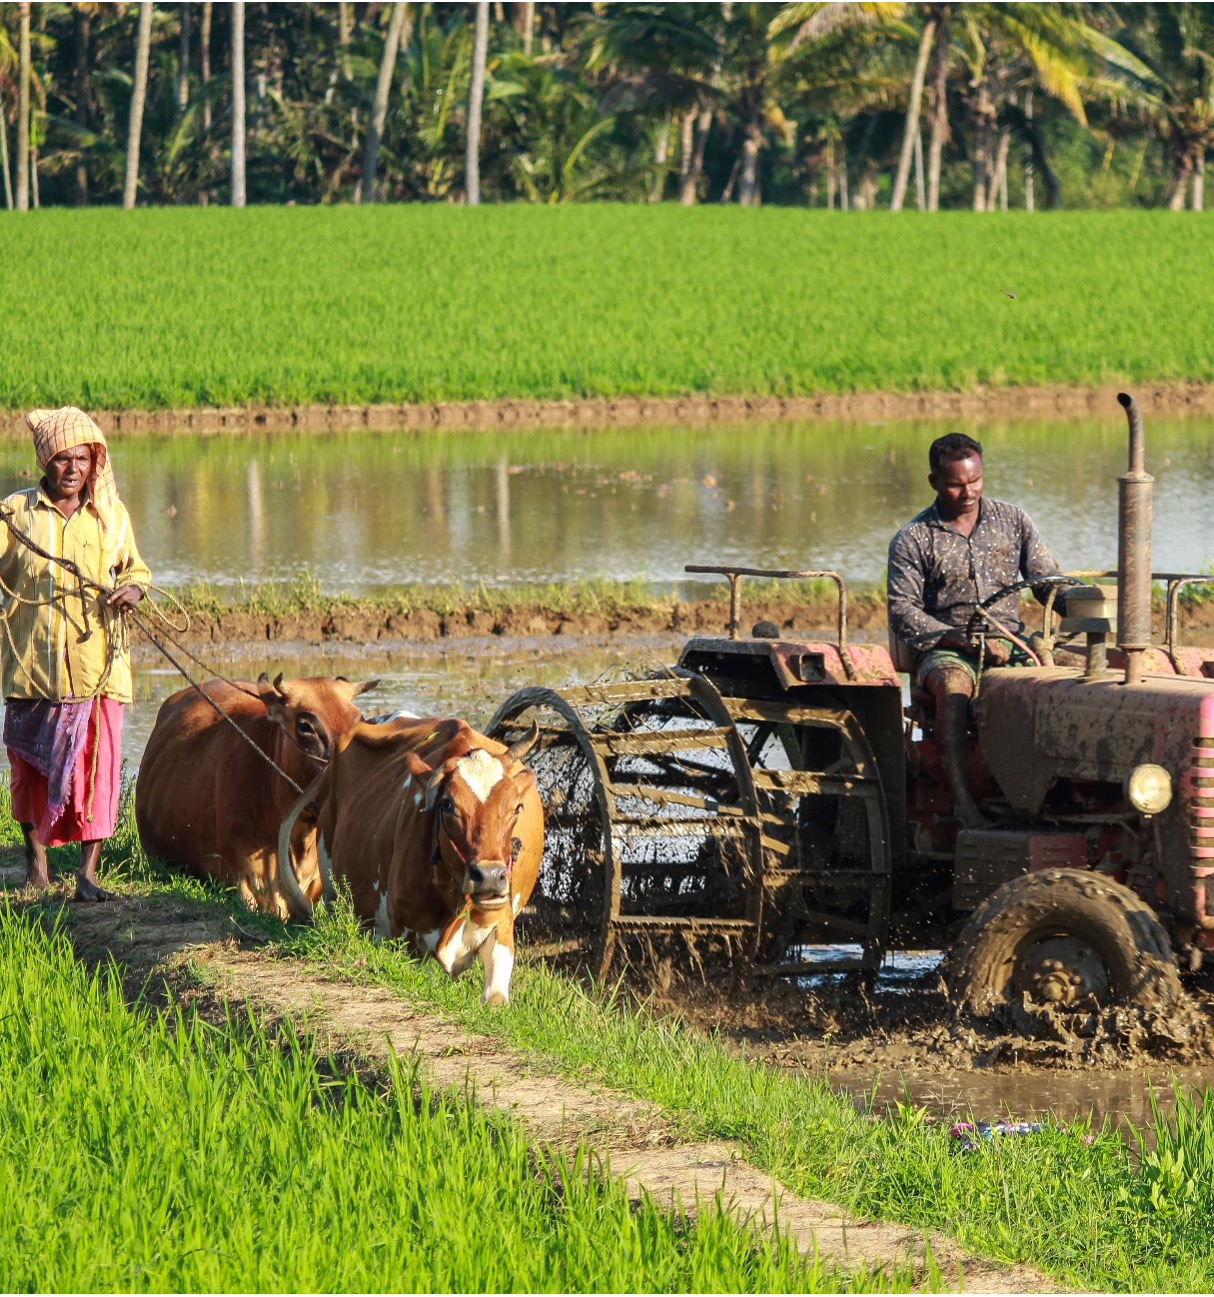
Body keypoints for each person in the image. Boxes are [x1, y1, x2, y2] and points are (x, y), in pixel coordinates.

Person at [1, 408, 150, 900]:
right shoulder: (15, 515)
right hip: (34, 669)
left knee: (99, 769)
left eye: (82, 459)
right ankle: (36, 863)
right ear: (44, 462)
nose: (72, 469)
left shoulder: (111, 515)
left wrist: (131, 590)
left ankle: (87, 874)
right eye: (62, 459)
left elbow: (136, 571)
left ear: (94, 463)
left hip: (99, 667)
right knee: (28, 769)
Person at [887, 432, 1059, 828]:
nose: (968, 492)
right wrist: (956, 638)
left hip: (1011, 642)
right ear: (934, 482)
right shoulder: (914, 538)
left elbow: (1047, 582)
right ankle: (965, 805)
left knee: (1068, 678)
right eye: (955, 484)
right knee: (953, 687)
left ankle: (1046, 795)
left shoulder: (1013, 521)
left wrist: (1085, 604)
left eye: (975, 481)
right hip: (947, 649)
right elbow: (903, 611)